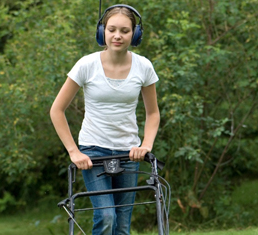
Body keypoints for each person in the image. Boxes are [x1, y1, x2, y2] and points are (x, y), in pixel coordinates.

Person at [50, 4, 160, 235]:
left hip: (129, 152)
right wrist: (74, 152)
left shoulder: (144, 67)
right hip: (93, 152)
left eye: (125, 30)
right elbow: (56, 110)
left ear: (135, 34)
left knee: (122, 223)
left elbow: (153, 113)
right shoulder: (86, 65)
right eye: (111, 30)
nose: (117, 36)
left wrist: (145, 145)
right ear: (102, 32)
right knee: (107, 215)